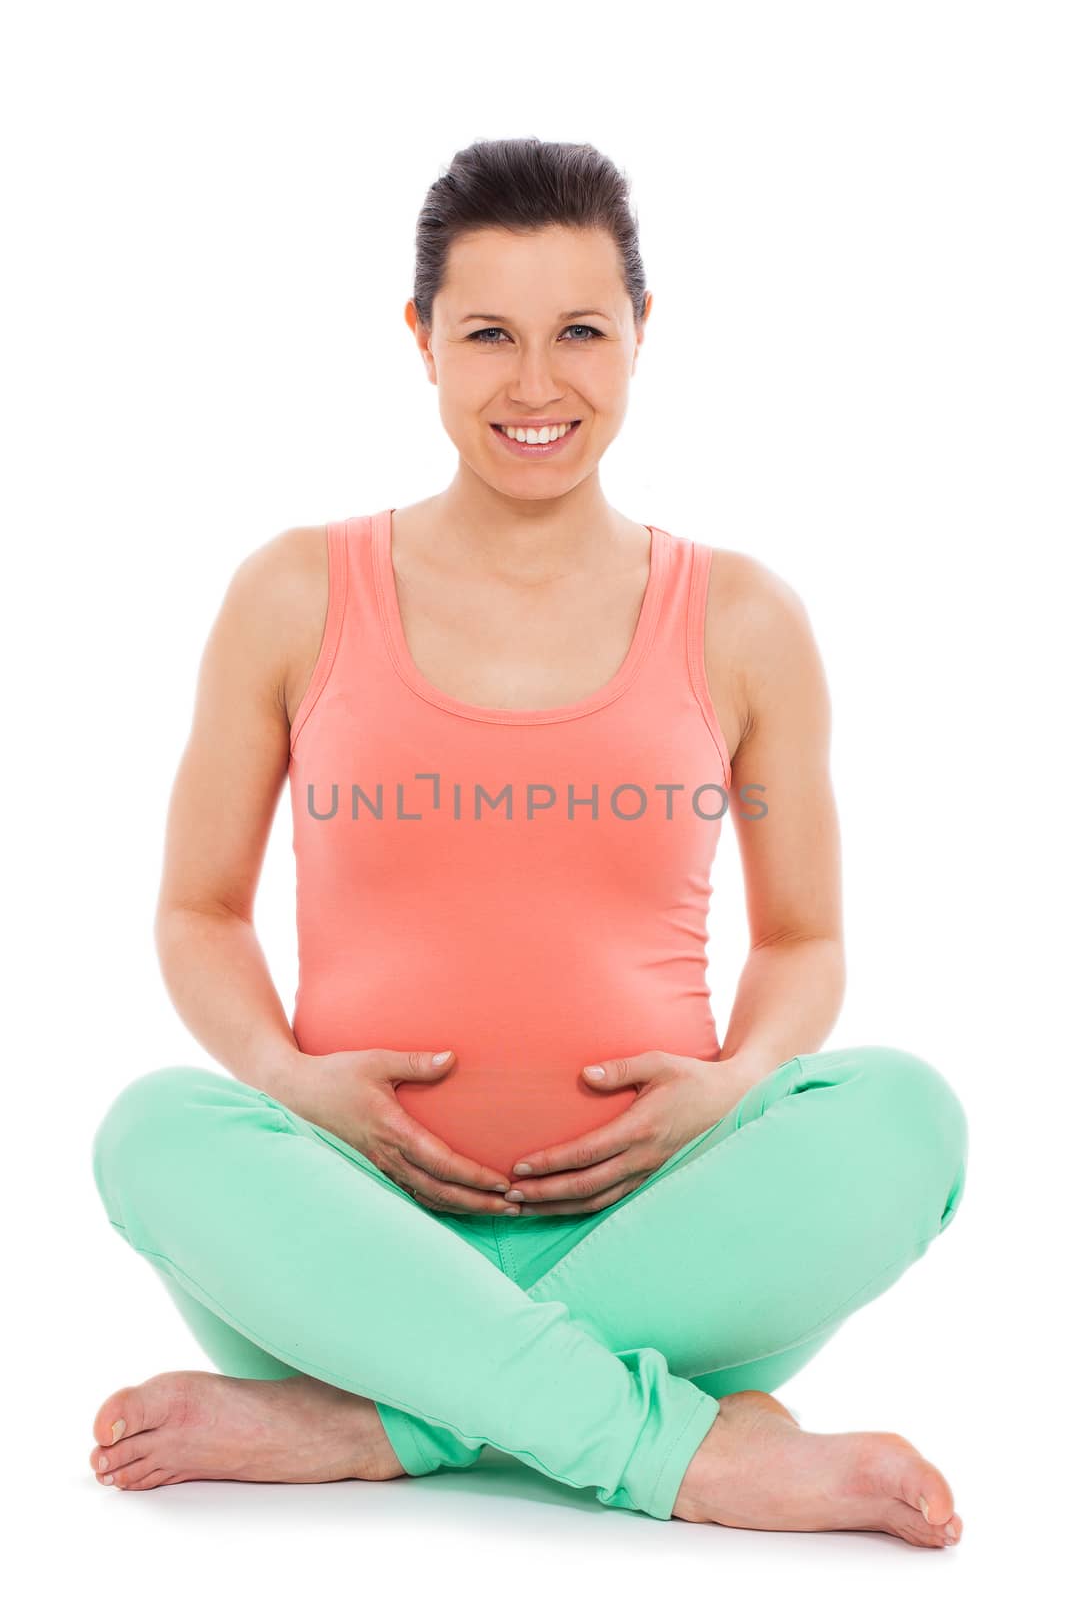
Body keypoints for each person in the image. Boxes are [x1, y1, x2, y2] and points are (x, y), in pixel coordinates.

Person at [88, 137, 968, 1546]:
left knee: (911, 1120)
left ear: (641, 337)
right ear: (420, 338)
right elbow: (200, 910)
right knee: (151, 1134)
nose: (537, 384)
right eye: (489, 333)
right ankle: (679, 1448)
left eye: (581, 333)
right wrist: (285, 1083)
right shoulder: (294, 591)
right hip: (350, 1251)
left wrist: (736, 1085)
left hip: (678, 1255)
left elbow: (803, 939)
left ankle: (375, 1424)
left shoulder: (742, 619)